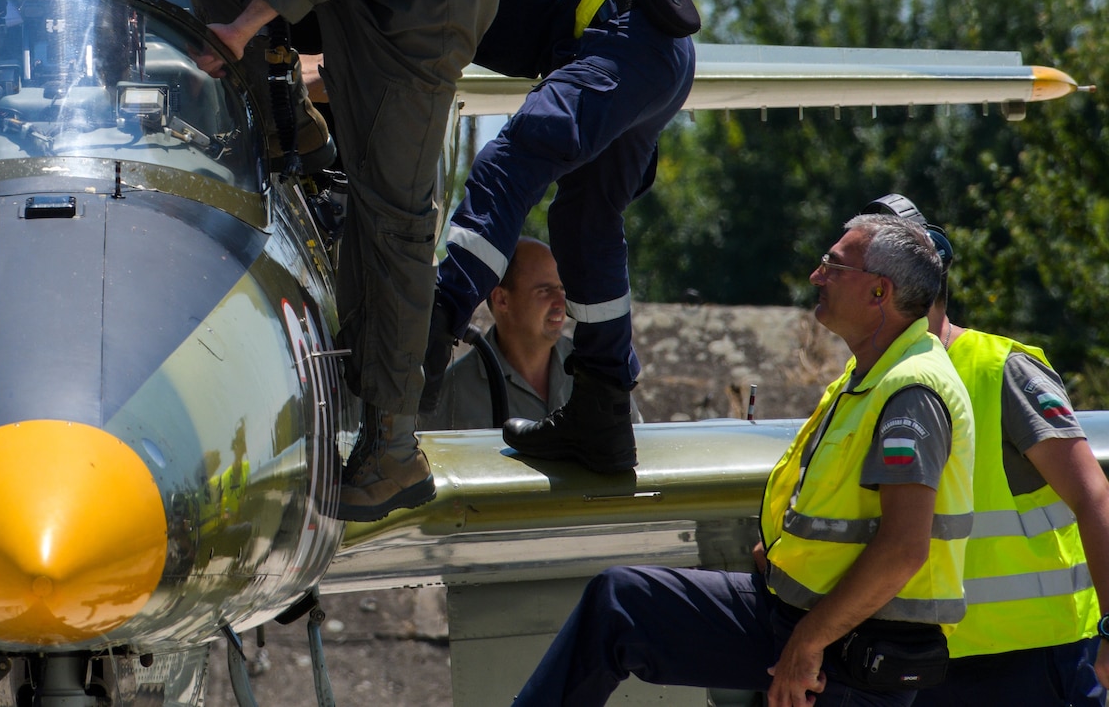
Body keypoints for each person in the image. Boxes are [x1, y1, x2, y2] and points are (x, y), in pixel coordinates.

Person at [0, 0, 499, 522]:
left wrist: (234, 31)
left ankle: (393, 448)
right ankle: (283, 127)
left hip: (419, 8)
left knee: (391, 213)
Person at [511, 214, 974, 707]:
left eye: (833, 267)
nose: (817, 277)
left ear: (879, 293)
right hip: (793, 613)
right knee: (619, 603)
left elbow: (904, 549)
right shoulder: (867, 375)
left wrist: (808, 642)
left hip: (854, 649)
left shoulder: (911, 390)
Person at [421, 0, 699, 474]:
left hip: (622, 37)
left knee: (509, 162)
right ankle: (602, 412)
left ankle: (431, 329)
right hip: (660, 52)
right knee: (585, 220)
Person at [857, 194, 1109, 707]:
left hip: (1036, 660)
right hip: (919, 660)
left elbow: (1094, 499)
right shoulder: (864, 381)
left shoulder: (1003, 370)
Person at [425, 238, 573, 431]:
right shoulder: (452, 393)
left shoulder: (594, 368)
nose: (562, 303)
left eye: (562, 289)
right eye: (545, 291)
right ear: (501, 299)